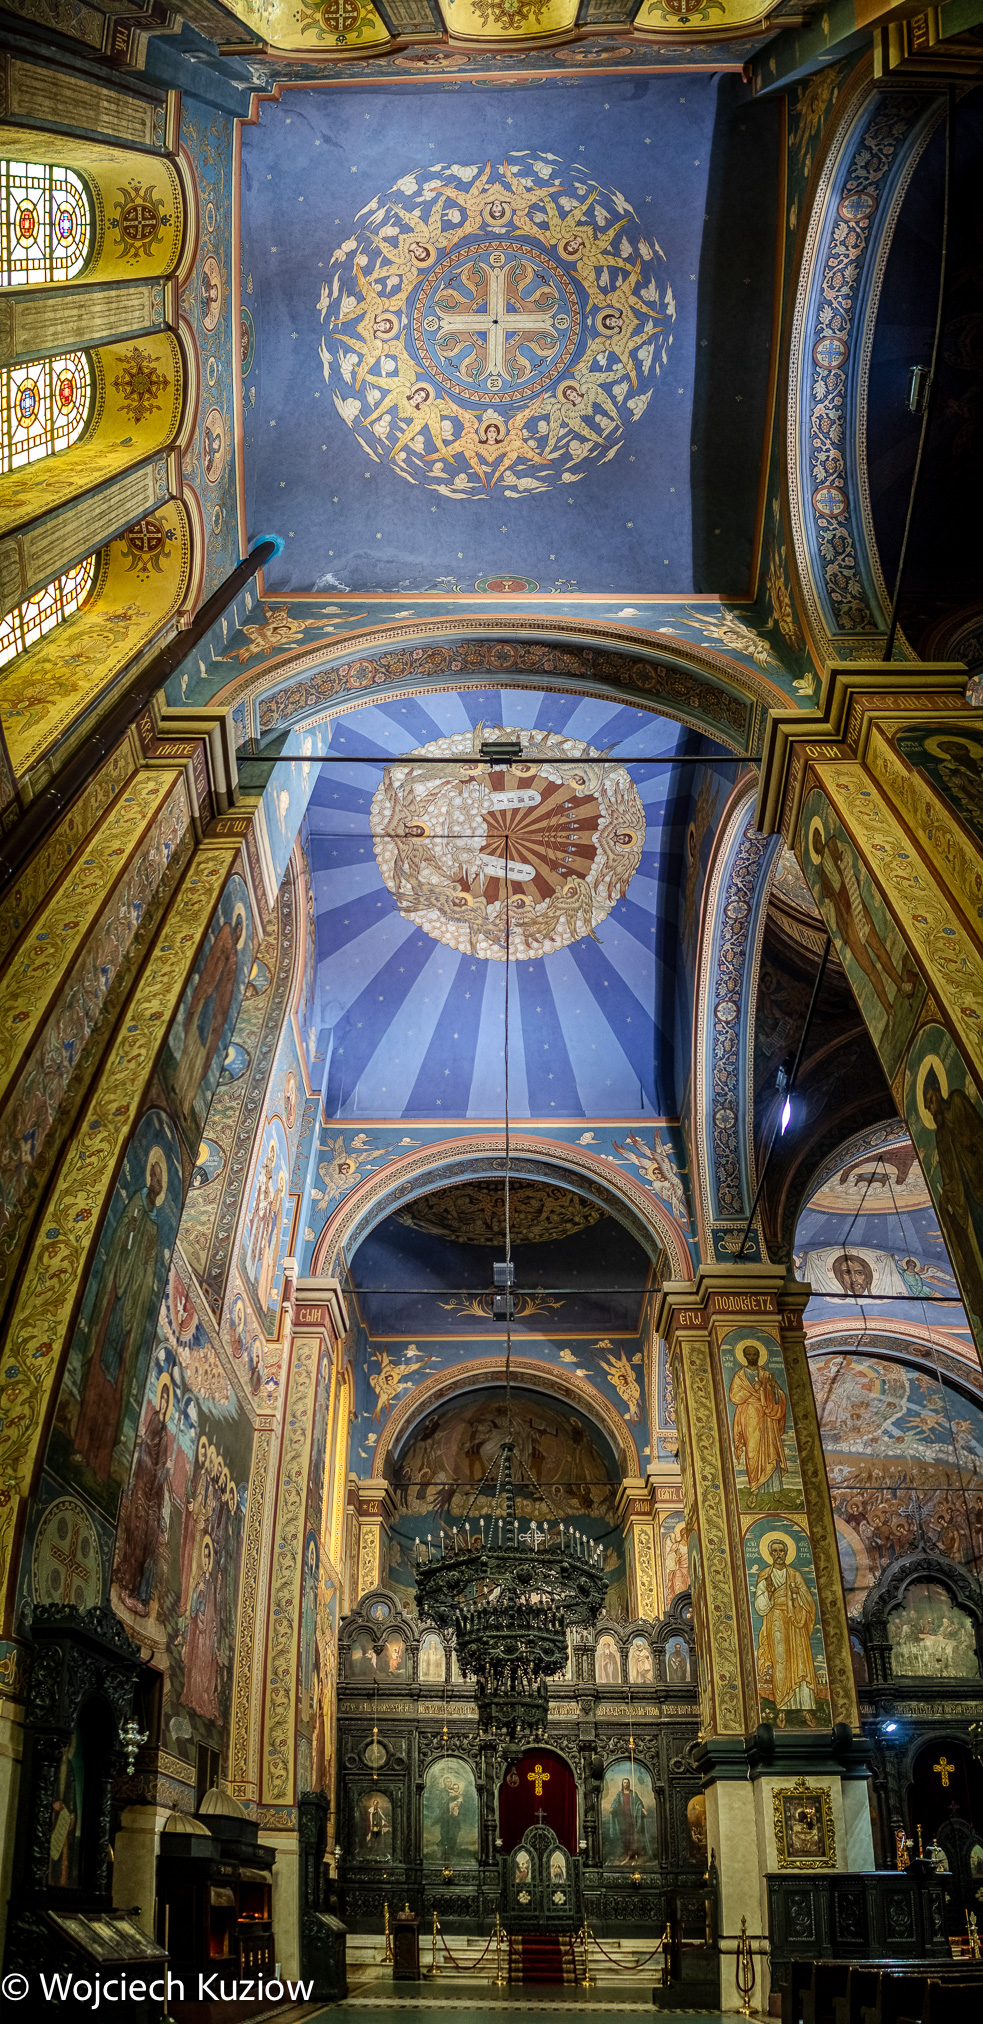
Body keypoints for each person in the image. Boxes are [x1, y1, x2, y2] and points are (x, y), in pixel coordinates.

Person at [754, 1538, 820, 1719]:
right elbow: (760, 1605)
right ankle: (782, 1706)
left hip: (796, 1621)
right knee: (781, 1660)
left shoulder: (795, 1574)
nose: (778, 1554)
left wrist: (798, 1595)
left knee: (800, 1660)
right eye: (774, 1551)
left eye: (781, 1551)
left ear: (786, 1552)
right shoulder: (765, 1575)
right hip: (776, 1619)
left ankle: (805, 1707)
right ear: (770, 1554)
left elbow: (809, 1601)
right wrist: (769, 1594)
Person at [729, 1345, 788, 1500]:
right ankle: (754, 1490)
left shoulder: (766, 1375)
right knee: (752, 1452)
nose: (752, 1357)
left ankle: (777, 1492)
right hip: (750, 1417)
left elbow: (780, 1396)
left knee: (771, 1451)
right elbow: (734, 1397)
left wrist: (772, 1390)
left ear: (759, 1355)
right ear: (744, 1356)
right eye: (749, 1354)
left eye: (755, 1354)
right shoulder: (740, 1376)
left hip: (767, 1418)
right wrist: (752, 1390)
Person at [608, 1775, 651, 1864]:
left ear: (629, 1784)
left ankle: (632, 1854)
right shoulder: (619, 1794)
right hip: (623, 1818)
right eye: (624, 1782)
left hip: (631, 1818)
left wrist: (642, 1809)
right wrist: (612, 1808)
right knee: (624, 1836)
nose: (626, 1784)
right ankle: (627, 1854)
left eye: (627, 1782)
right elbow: (615, 1802)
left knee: (632, 1836)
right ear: (622, 1784)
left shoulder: (633, 1793)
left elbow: (638, 1802)